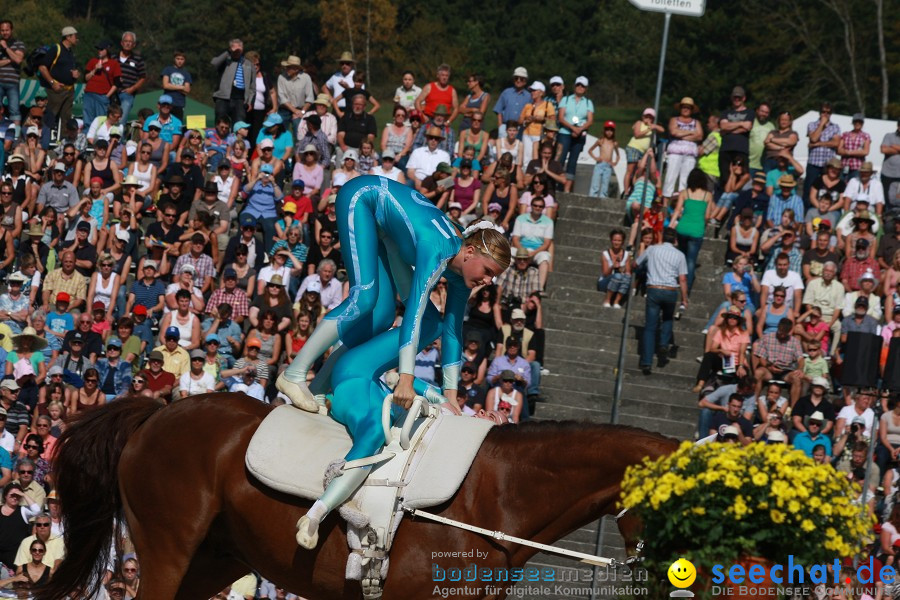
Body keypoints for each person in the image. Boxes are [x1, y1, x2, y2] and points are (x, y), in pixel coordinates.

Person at [275, 176, 510, 545]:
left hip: (387, 231)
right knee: (366, 298)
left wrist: (451, 395)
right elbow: (414, 310)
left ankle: (322, 386)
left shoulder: (462, 273)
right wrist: (404, 376)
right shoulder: (439, 249)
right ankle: (294, 373)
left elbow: (451, 333)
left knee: (394, 317)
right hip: (364, 200)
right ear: (470, 254)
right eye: (489, 273)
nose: (488, 283)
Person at [637, 228, 688, 376]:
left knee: (650, 327)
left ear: (661, 238)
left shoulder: (652, 249)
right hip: (670, 290)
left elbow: (638, 262)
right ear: (675, 240)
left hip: (653, 289)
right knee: (667, 318)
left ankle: (646, 362)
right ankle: (664, 343)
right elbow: (683, 279)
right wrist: (684, 298)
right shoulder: (680, 255)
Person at [37, 27, 80, 132]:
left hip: (69, 90)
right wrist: (52, 83)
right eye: (75, 36)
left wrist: (75, 74)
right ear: (68, 37)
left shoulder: (70, 52)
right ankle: (43, 142)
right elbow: (42, 67)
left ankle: (64, 145)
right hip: (56, 90)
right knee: (50, 117)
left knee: (66, 119)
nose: (77, 39)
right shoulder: (56, 48)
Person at [556, 76, 594, 192]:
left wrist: (580, 129)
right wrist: (573, 128)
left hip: (580, 134)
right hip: (565, 132)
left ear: (586, 88)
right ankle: (556, 184)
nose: (580, 87)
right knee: (560, 159)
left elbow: (590, 120)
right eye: (578, 85)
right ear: (575, 86)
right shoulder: (566, 100)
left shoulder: (588, 102)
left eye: (582, 86)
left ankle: (567, 189)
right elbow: (561, 118)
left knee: (573, 161)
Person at [665, 97, 703, 201]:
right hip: (675, 152)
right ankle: (665, 202)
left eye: (688, 108)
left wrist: (680, 133)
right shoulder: (674, 120)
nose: (685, 109)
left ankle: (681, 204)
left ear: (691, 110)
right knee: (670, 178)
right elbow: (673, 132)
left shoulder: (696, 122)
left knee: (686, 180)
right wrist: (691, 132)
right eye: (683, 107)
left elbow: (699, 136)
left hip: (690, 154)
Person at [211, 39, 255, 124]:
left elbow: (252, 87)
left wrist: (249, 101)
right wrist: (228, 51)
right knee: (221, 122)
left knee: (239, 125)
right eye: (234, 46)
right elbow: (214, 63)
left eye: (240, 47)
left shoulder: (248, 64)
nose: (237, 49)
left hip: (240, 100)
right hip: (223, 98)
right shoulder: (226, 60)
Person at [717, 86, 753, 181]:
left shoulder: (749, 112)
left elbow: (747, 127)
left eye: (739, 97)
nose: (737, 99)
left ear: (744, 98)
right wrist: (741, 123)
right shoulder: (726, 112)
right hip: (725, 149)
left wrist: (728, 130)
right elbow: (723, 126)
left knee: (740, 177)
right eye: (735, 97)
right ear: (731, 98)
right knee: (725, 177)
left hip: (741, 149)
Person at [116, 31, 146, 122]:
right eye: (126, 41)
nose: (128, 43)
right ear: (122, 43)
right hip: (112, 93)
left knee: (121, 120)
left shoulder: (138, 59)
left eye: (130, 42)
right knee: (109, 119)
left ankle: (119, 135)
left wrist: (132, 89)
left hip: (127, 94)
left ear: (134, 44)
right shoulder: (113, 57)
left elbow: (143, 77)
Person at [587, 122, 619, 199]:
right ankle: (592, 199)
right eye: (607, 130)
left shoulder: (614, 143)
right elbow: (590, 150)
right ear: (604, 130)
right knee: (595, 185)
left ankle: (603, 200)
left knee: (605, 186)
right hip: (600, 164)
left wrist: (615, 162)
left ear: (613, 132)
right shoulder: (600, 141)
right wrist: (595, 158)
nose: (609, 132)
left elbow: (618, 155)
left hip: (608, 166)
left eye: (611, 130)